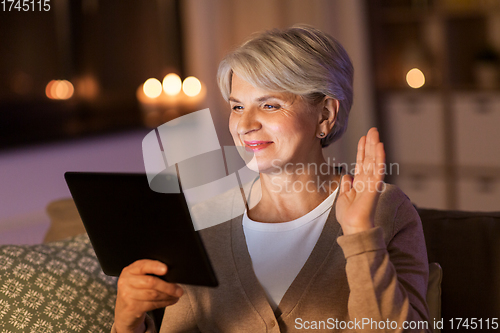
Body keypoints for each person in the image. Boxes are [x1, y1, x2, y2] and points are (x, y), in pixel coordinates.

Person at [112, 25, 430, 333]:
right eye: (237, 106)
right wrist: (127, 324)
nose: (245, 124)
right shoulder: (206, 222)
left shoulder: (387, 210)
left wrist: (361, 235)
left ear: (325, 115)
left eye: (269, 105)